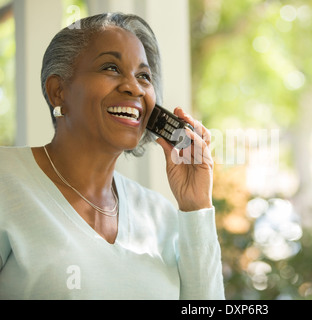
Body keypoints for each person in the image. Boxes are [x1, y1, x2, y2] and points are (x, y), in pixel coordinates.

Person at [0, 12, 225, 300]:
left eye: (144, 76)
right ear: (58, 92)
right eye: (111, 67)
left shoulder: (161, 215)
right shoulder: (6, 181)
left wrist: (196, 206)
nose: (133, 87)